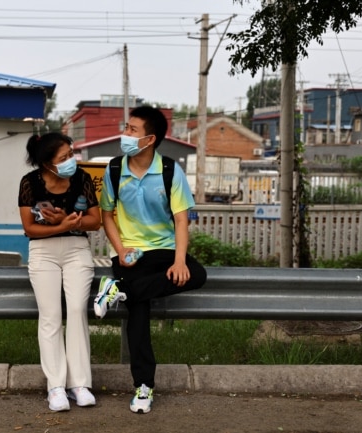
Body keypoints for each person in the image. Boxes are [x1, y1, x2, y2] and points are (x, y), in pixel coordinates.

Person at [95, 106, 207, 414]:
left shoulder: (170, 170)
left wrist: (180, 261)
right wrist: (120, 250)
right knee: (139, 313)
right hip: (129, 253)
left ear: (150, 139)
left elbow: (182, 221)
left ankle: (119, 290)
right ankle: (143, 386)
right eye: (126, 127)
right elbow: (107, 216)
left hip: (164, 249)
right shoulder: (115, 169)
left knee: (196, 274)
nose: (125, 134)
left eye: (132, 130)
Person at [18, 132, 101, 412]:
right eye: (64, 157)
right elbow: (30, 228)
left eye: (71, 153)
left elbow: (95, 221)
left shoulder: (82, 179)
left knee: (77, 309)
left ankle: (79, 384)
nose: (71, 160)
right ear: (47, 164)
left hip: (77, 250)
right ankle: (55, 386)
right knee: (51, 316)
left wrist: (67, 223)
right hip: (43, 252)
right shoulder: (29, 183)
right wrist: (62, 226)